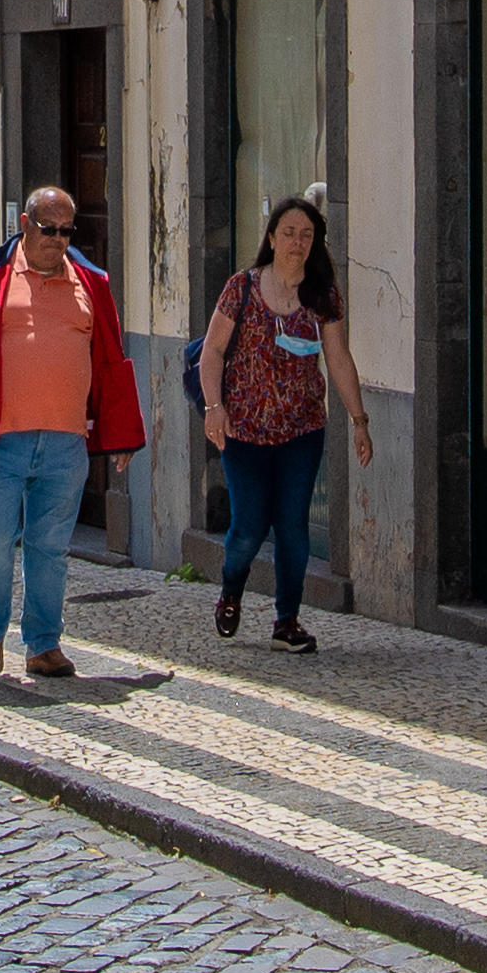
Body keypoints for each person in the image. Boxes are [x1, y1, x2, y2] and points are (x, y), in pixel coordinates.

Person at [0, 182, 138, 686]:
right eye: (50, 230)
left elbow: (109, 358)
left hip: (65, 443)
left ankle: (43, 645)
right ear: (24, 226)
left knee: (50, 548)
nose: (59, 240)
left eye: (68, 231)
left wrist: (120, 430)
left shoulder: (90, 281)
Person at [195, 186, 368, 653]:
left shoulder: (322, 296)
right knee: (249, 525)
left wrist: (359, 420)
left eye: (307, 234)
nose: (297, 242)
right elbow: (211, 352)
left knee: (292, 524)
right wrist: (215, 406)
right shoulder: (243, 287)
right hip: (245, 430)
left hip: (302, 430)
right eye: (289, 232)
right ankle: (232, 588)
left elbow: (339, 359)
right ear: (272, 238)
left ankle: (286, 621)